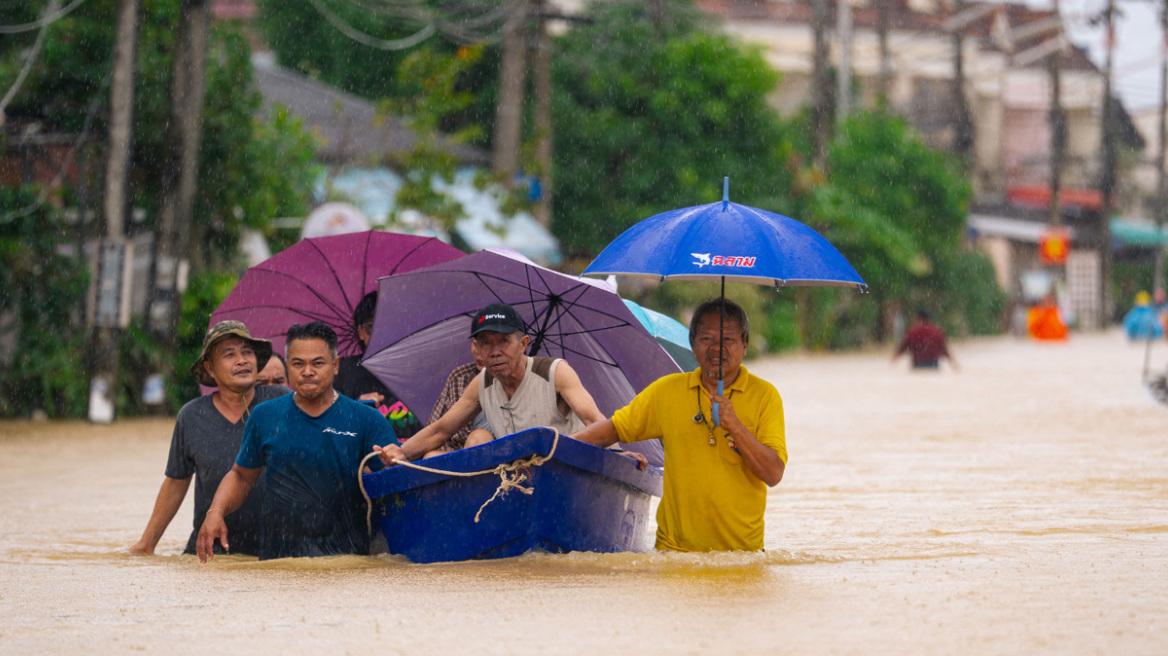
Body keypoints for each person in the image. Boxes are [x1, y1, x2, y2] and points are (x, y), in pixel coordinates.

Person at [570, 298, 786, 552]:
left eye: (728, 339)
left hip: (742, 557)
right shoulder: (667, 391)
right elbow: (611, 430)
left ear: (745, 346)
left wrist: (736, 427)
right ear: (692, 346)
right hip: (674, 555)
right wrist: (551, 448)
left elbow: (774, 474)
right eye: (706, 339)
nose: (717, 348)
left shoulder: (765, 396)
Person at [196, 321, 394, 562]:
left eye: (317, 363)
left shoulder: (367, 420)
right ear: (288, 366)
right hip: (277, 564)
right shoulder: (265, 416)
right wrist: (215, 512)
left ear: (335, 366)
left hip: (346, 564)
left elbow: (392, 483)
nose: (307, 371)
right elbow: (241, 476)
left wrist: (394, 461)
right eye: (298, 363)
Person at [376, 302, 605, 465]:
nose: (495, 352)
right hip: (518, 478)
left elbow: (595, 421)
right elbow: (441, 429)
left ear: (523, 343)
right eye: (486, 343)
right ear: (476, 347)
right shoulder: (482, 383)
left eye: (504, 341)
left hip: (565, 468)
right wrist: (401, 453)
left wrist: (615, 454)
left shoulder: (555, 372)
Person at [130, 321, 288, 556]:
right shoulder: (192, 416)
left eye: (247, 352)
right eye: (229, 354)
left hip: (274, 550)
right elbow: (176, 482)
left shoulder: (283, 402)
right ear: (210, 368)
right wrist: (146, 545)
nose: (242, 360)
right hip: (211, 552)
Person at [335, 292, 423, 441]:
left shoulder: (419, 370)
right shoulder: (341, 372)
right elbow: (329, 430)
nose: (381, 334)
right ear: (360, 331)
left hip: (416, 460)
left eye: (390, 326)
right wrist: (354, 410)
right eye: (372, 327)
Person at [422, 339, 492, 458]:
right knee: (431, 456)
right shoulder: (460, 376)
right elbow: (437, 432)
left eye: (487, 343)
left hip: (501, 457)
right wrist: (402, 454)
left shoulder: (527, 378)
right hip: (462, 459)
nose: (478, 351)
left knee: (480, 438)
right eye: (476, 343)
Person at [892, 308, 958, 370]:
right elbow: (944, 350)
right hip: (933, 366)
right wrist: (953, 362)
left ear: (918, 318)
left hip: (917, 365)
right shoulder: (937, 332)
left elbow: (902, 348)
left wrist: (893, 359)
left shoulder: (912, 332)